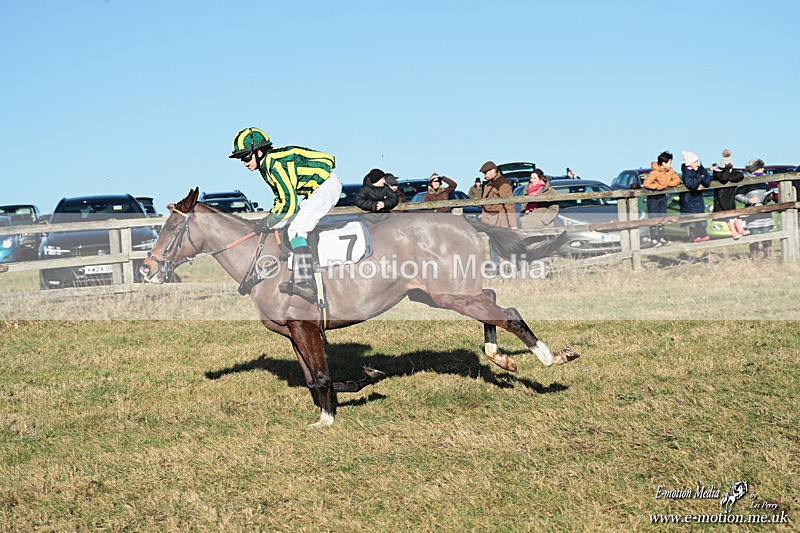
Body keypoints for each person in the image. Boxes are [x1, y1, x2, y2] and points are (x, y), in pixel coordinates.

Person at [230, 127, 341, 302]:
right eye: (240, 159)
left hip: (325, 187)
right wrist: (270, 218)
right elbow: (281, 198)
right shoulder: (266, 166)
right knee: (292, 227)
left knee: (296, 230)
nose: (243, 162)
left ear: (259, 152)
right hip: (315, 191)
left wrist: (268, 222)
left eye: (245, 157)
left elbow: (289, 205)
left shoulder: (274, 164)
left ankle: (308, 283)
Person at [736, 158, 774, 259]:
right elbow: (738, 194)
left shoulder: (766, 179)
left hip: (765, 211)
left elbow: (769, 192)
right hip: (752, 212)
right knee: (754, 233)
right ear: (754, 169)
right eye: (760, 167)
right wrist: (749, 200)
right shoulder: (747, 180)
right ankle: (754, 256)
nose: (763, 169)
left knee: (767, 233)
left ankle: (768, 256)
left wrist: (769, 198)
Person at [642, 151, 681, 247]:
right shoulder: (654, 172)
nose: (671, 164)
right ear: (664, 163)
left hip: (663, 198)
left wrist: (667, 185)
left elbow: (677, 180)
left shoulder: (670, 171)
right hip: (653, 199)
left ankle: (661, 237)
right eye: (670, 162)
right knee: (653, 218)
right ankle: (653, 239)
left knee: (662, 217)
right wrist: (659, 186)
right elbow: (646, 184)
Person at [711, 149, 747, 239]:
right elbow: (723, 178)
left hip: (730, 197)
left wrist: (729, 174)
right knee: (728, 217)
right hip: (721, 198)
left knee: (735, 215)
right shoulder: (717, 173)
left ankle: (740, 229)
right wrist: (726, 170)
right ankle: (733, 232)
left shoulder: (732, 172)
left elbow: (740, 176)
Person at [679, 150, 712, 243]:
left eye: (697, 161)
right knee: (692, 218)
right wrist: (699, 176)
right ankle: (695, 236)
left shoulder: (700, 169)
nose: (697, 163)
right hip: (688, 199)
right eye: (694, 162)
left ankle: (703, 234)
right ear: (689, 163)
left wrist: (702, 174)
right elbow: (692, 185)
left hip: (697, 198)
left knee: (700, 216)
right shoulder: (686, 172)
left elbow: (707, 181)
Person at [479, 161, 517, 228]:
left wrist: (513, 225)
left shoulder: (503, 184)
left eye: (485, 173)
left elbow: (509, 205)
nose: (484, 175)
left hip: (500, 223)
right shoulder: (489, 184)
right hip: (490, 221)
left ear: (493, 170)